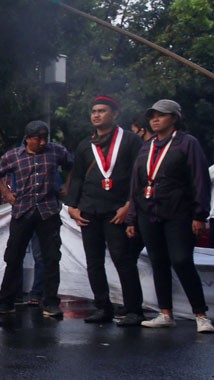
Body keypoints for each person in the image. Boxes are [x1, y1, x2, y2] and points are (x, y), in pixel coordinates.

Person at [125, 100, 214, 333]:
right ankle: (165, 313)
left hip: (179, 213)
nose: (155, 119)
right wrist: (132, 218)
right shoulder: (147, 146)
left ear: (174, 118)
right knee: (158, 261)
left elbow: (200, 180)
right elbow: (136, 183)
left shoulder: (187, 143)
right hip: (148, 213)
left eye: (161, 115)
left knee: (182, 260)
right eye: (152, 115)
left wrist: (199, 214)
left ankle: (201, 315)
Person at [66, 96, 145, 326]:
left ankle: (133, 310)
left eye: (102, 110)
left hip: (117, 210)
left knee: (123, 259)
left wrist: (129, 206)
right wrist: (72, 206)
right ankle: (102, 307)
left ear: (115, 114)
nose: (96, 115)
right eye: (93, 111)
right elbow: (78, 177)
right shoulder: (85, 145)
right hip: (89, 210)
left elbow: (139, 175)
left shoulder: (130, 141)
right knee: (94, 261)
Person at [0, 120, 73, 319]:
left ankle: (51, 303)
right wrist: (7, 194)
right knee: (13, 257)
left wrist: (67, 186)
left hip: (48, 211)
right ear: (27, 139)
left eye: (45, 138)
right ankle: (7, 301)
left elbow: (72, 165)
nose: (43, 142)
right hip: (22, 210)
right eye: (38, 138)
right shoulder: (14, 156)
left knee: (51, 258)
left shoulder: (56, 151)